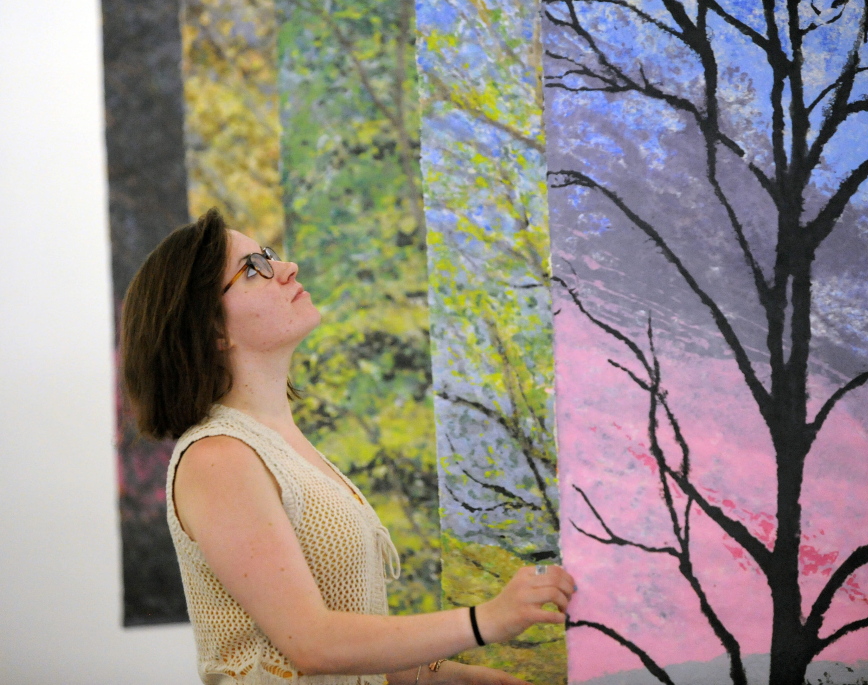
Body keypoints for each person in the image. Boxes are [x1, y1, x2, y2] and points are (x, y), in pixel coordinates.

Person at [120, 209, 575, 685]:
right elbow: (312, 645)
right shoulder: (218, 458)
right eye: (252, 268)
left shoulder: (277, 442)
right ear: (212, 330)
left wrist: (448, 677)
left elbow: (335, 652)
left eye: (269, 255)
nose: (286, 268)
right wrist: (487, 621)